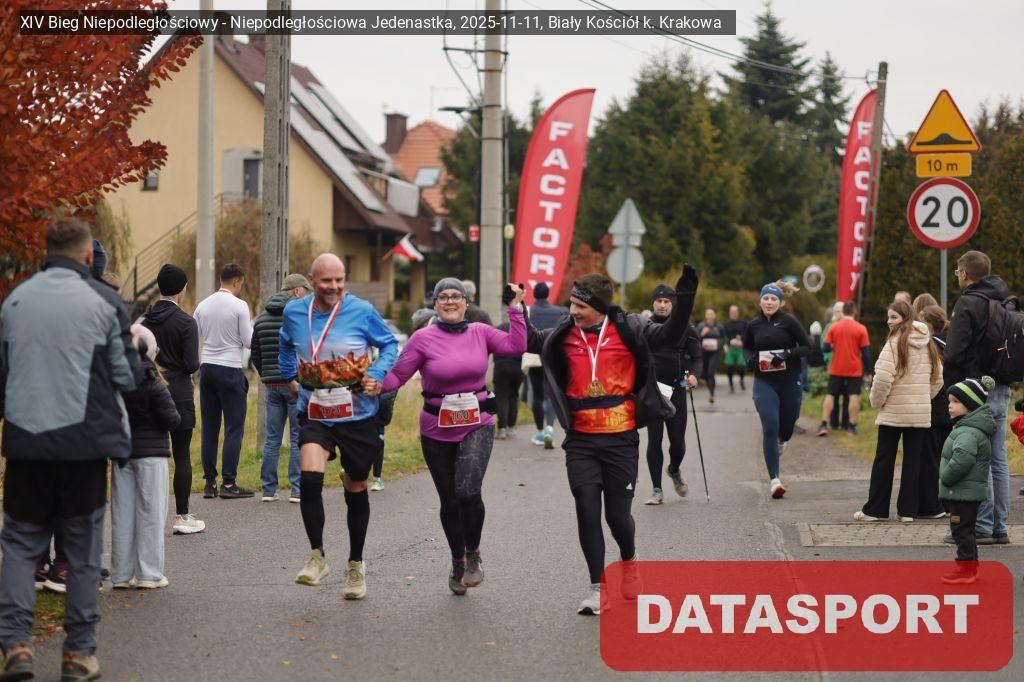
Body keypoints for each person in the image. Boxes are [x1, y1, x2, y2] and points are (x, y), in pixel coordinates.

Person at [0, 217, 142, 681]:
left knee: (20, 547)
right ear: (86, 255)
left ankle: (16, 647)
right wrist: (137, 351)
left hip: (26, 445)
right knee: (82, 554)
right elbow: (127, 377)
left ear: (46, 251)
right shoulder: (105, 302)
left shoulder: (14, 301)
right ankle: (78, 654)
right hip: (84, 449)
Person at [525, 267, 698, 615]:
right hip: (581, 440)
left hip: (620, 438)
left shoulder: (631, 328)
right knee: (587, 509)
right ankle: (597, 588)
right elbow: (527, 340)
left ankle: (629, 559)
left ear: (600, 307)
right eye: (571, 304)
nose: (573, 311)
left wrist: (685, 297)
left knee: (618, 518)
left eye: (580, 306)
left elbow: (670, 334)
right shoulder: (564, 332)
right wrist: (516, 308)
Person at [382, 279, 526, 594]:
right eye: (443, 297)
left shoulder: (481, 332)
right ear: (435, 304)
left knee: (468, 491)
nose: (449, 301)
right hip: (436, 427)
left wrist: (515, 309)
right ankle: (457, 560)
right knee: (449, 499)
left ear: (466, 302)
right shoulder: (422, 338)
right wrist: (369, 385)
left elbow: (516, 347)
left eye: (455, 296)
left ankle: (473, 554)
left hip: (477, 423)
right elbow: (397, 375)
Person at [280, 254, 399, 600]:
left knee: (356, 484)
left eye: (339, 280)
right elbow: (285, 344)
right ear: (311, 280)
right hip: (315, 410)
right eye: (326, 281)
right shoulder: (294, 312)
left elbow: (389, 344)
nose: (334, 287)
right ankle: (317, 556)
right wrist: (289, 377)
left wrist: (377, 373)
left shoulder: (361, 310)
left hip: (358, 414)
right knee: (309, 478)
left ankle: (355, 564)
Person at [943, 250, 1013, 545]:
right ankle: (1000, 527)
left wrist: (951, 391)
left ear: (964, 273)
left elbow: (954, 352)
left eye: (957, 272)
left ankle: (981, 527)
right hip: (1002, 387)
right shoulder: (1005, 302)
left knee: (976, 458)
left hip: (974, 390)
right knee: (998, 458)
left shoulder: (968, 303)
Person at [855, 300, 944, 522]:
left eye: (893, 317)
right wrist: (923, 397)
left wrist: (877, 402)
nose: (889, 321)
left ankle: (875, 510)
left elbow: (883, 378)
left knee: (884, 459)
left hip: (894, 412)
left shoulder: (894, 343)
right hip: (920, 413)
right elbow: (938, 378)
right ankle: (907, 512)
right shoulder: (928, 342)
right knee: (913, 461)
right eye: (888, 317)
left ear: (905, 318)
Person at [111, 325, 180, 590]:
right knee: (151, 512)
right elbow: (172, 419)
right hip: (152, 454)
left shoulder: (115, 381)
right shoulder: (153, 381)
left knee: (122, 514)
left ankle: (121, 574)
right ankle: (149, 573)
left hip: (122, 453)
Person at [141, 264, 205, 534]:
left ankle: (148, 516)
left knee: (149, 456)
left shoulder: (144, 321)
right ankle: (182, 516)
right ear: (182, 289)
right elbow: (191, 364)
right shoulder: (186, 322)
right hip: (178, 392)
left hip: (148, 390)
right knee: (181, 454)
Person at [743, 282, 812, 499]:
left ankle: (783, 440)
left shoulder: (789, 322)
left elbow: (807, 346)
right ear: (760, 301)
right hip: (764, 382)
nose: (769, 302)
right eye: (766, 298)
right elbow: (747, 347)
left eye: (774, 299)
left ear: (780, 302)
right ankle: (775, 480)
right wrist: (750, 359)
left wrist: (786, 354)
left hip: (789, 381)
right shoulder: (753, 325)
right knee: (770, 426)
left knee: (786, 427)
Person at [193, 263, 254, 499]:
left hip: (207, 368)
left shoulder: (202, 305)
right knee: (233, 428)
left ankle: (210, 483)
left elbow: (195, 336)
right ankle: (229, 483)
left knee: (209, 427)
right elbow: (248, 341)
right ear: (236, 281)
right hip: (230, 369)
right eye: (241, 284)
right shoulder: (239, 305)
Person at [251, 273, 311, 503]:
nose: (307, 296)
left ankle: (268, 490)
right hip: (295, 383)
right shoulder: (298, 317)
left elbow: (255, 353)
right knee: (297, 437)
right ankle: (297, 489)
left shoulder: (261, 319)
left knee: (272, 439)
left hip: (272, 386)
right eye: (305, 291)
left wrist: (266, 374)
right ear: (296, 291)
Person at [644, 284, 701, 505]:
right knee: (654, 440)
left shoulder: (685, 326)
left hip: (677, 388)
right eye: (658, 301)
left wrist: (694, 375)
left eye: (667, 301)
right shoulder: (645, 326)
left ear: (673, 304)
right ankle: (656, 489)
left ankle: (674, 469)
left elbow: (697, 357)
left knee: (677, 442)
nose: (662, 305)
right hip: (653, 391)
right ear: (653, 303)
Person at [939, 376, 996, 585]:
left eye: (956, 402)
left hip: (962, 493)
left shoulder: (967, 432)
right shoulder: (967, 428)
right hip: (965, 493)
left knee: (961, 531)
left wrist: (945, 477)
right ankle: (969, 568)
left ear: (971, 405)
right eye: (949, 402)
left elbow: (962, 461)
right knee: (965, 530)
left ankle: (966, 570)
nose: (950, 406)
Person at [816, 302, 871, 437]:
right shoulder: (861, 328)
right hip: (854, 369)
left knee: (830, 395)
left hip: (836, 368)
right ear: (854, 311)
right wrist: (869, 372)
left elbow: (825, 348)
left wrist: (835, 346)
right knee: (853, 396)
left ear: (844, 311)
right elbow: (866, 354)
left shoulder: (834, 327)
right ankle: (851, 427)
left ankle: (823, 424)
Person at [527, 282, 567, 448]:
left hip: (534, 356)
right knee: (551, 393)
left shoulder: (529, 311)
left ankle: (539, 431)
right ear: (548, 294)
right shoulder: (560, 312)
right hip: (552, 355)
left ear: (534, 294)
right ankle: (550, 428)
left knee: (536, 394)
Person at [493, 305, 525, 440]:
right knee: (513, 396)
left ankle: (501, 429)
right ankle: (511, 428)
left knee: (501, 397)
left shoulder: (497, 329)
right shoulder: (521, 328)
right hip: (517, 366)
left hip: (500, 365)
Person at [695, 308, 726, 404]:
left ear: (714, 316)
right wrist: (702, 334)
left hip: (715, 353)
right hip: (703, 353)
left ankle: (711, 395)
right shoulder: (701, 325)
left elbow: (724, 337)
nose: (710, 316)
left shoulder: (719, 327)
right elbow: (695, 339)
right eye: (708, 314)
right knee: (704, 374)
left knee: (710, 373)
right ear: (706, 315)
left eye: (712, 314)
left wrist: (725, 345)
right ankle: (707, 384)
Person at [370, 390, 397, 491]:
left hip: (379, 411)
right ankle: (350, 473)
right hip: (362, 408)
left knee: (378, 443)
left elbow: (393, 388)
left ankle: (377, 479)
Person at [722, 305, 748, 393]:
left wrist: (742, 337)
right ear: (729, 313)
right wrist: (725, 344)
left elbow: (748, 333)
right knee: (729, 367)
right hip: (731, 348)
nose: (733, 313)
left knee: (741, 366)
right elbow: (725, 336)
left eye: (735, 312)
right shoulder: (726, 323)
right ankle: (731, 384)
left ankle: (741, 380)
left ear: (738, 312)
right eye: (731, 312)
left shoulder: (744, 322)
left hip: (741, 348)